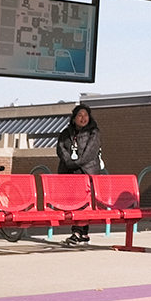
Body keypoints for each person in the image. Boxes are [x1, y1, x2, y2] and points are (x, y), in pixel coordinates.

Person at [52, 103, 103, 246]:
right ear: (74, 118)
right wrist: (69, 162)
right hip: (69, 172)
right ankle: (83, 234)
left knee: (83, 204)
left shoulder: (94, 132)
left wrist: (76, 163)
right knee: (75, 204)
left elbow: (90, 153)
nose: (83, 118)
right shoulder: (66, 132)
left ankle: (77, 232)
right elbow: (61, 148)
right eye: (80, 115)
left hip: (86, 172)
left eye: (85, 115)